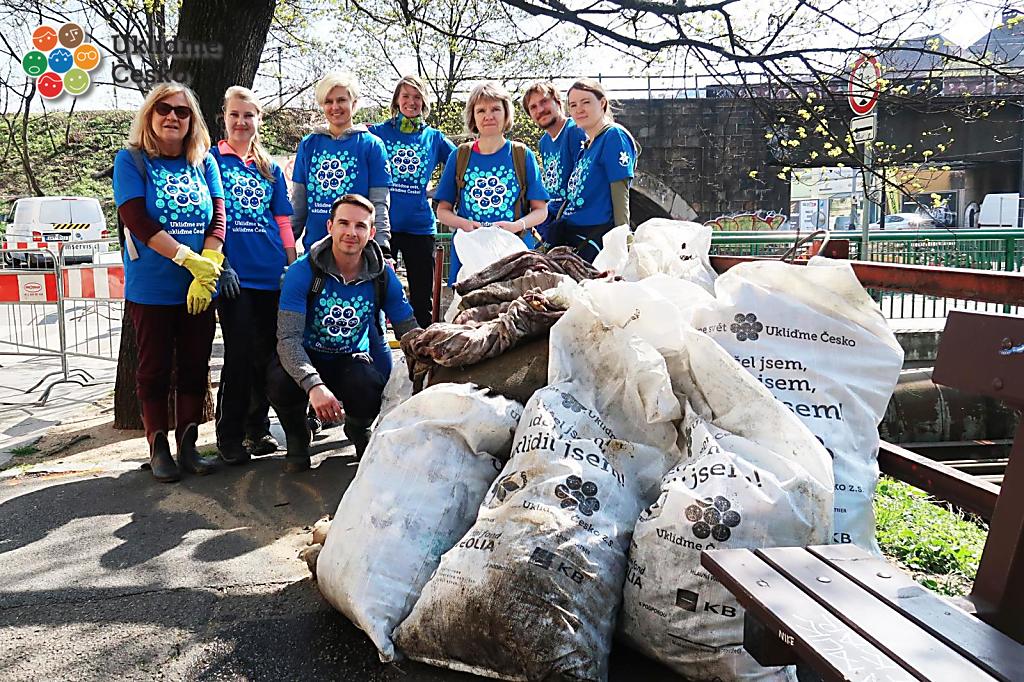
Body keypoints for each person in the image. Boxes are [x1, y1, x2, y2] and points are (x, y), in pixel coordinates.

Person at [113, 82, 225, 483]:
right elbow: (136, 219)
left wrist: (208, 266)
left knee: (195, 365)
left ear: (192, 120)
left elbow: (218, 217)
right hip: (152, 287)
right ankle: (158, 447)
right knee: (154, 369)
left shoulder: (203, 161)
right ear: (150, 115)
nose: (172, 117)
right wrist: (186, 258)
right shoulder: (132, 160)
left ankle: (189, 445)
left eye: (182, 111)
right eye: (164, 109)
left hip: (198, 288)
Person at [268, 194, 418, 472]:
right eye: (344, 223)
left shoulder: (383, 277)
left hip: (351, 359)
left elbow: (409, 331)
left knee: (369, 385)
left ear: (371, 233)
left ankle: (358, 428)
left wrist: (431, 366)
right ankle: (297, 435)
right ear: (330, 226)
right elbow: (288, 340)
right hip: (307, 356)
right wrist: (313, 385)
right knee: (279, 380)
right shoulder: (302, 272)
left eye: (360, 226)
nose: (351, 232)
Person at [211, 86, 295, 465]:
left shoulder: (269, 168)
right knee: (239, 355)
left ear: (259, 120)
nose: (241, 121)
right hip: (235, 278)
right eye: (235, 114)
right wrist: (221, 263)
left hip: (271, 274)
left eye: (249, 115)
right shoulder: (211, 161)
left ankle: (258, 430)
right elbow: (207, 218)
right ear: (225, 118)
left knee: (268, 355)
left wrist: (291, 266)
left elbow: (283, 221)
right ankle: (229, 435)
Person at [435, 81, 549, 283]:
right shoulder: (459, 156)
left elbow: (541, 210)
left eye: (495, 109)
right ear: (473, 116)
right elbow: (442, 211)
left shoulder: (522, 155)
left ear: (506, 114)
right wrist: (465, 224)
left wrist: (516, 225)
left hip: (514, 254)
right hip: (470, 253)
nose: (488, 116)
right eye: (481, 110)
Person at [369, 76, 456, 328]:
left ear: (424, 102)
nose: (411, 102)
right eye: (405, 96)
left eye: (417, 97)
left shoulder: (433, 137)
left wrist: (438, 192)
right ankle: (376, 347)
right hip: (383, 227)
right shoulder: (378, 133)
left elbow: (461, 163)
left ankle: (423, 347)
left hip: (420, 227)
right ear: (397, 100)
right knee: (377, 294)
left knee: (421, 298)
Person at [557, 78, 642, 262]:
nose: (579, 109)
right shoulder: (586, 147)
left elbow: (620, 192)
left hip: (593, 239)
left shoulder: (613, 136)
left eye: (586, 102)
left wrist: (623, 243)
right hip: (571, 235)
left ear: (602, 103)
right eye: (573, 105)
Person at [521, 81, 587, 237]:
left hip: (571, 219)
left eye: (544, 101)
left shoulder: (575, 131)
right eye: (533, 107)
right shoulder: (544, 142)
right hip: (550, 215)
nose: (540, 110)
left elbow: (584, 184)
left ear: (558, 102)